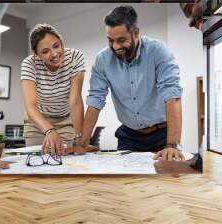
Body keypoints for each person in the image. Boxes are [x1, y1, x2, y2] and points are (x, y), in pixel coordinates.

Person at [78, 5, 185, 161]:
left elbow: (172, 96)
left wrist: (172, 145)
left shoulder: (158, 51)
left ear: (136, 33)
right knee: (126, 183)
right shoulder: (102, 60)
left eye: (121, 40)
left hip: (163, 136)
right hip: (129, 136)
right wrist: (83, 143)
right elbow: (95, 100)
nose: (115, 46)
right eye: (110, 40)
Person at [21, 24, 85, 156]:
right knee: (38, 162)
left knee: (64, 163)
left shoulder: (75, 57)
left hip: (65, 121)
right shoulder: (29, 64)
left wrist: (80, 140)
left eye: (56, 46)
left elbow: (75, 101)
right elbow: (31, 106)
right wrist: (49, 130)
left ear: (61, 43)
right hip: (38, 122)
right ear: (37, 55)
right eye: (45, 51)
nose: (54, 54)